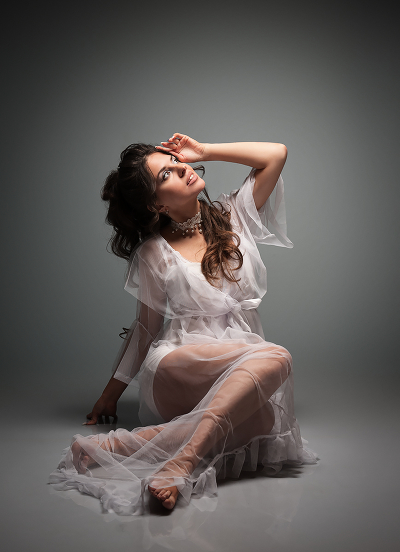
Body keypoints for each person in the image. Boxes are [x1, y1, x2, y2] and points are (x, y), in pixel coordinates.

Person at [50, 133, 317, 515]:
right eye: (166, 174)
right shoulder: (153, 252)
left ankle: (124, 447)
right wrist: (110, 395)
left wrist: (205, 150)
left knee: (264, 421)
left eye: (177, 163)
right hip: (179, 363)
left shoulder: (233, 215)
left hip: (242, 359)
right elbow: (145, 329)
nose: (182, 168)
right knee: (277, 360)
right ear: (155, 204)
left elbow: (276, 154)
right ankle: (185, 462)